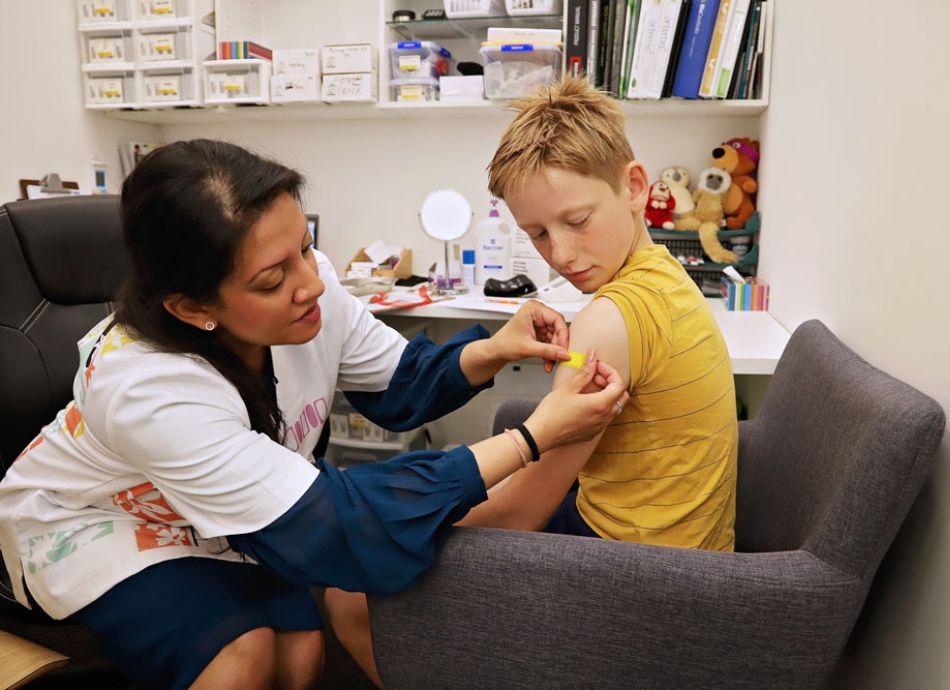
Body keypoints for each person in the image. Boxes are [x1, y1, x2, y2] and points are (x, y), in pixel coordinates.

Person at [0, 139, 629, 690]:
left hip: (234, 516)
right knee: (239, 661)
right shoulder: (145, 386)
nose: (314, 285)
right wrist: (532, 437)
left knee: (303, 656)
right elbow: (336, 524)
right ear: (193, 308)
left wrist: (492, 349)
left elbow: (399, 382)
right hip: (102, 518)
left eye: (305, 247)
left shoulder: (310, 286)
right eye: (274, 279)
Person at [460, 73, 739, 548]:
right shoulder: (669, 277)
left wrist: (411, 524)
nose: (562, 255)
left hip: (630, 571)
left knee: (360, 586)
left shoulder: (606, 321)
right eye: (538, 234)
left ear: (634, 188)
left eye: (577, 221)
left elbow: (522, 510)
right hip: (696, 554)